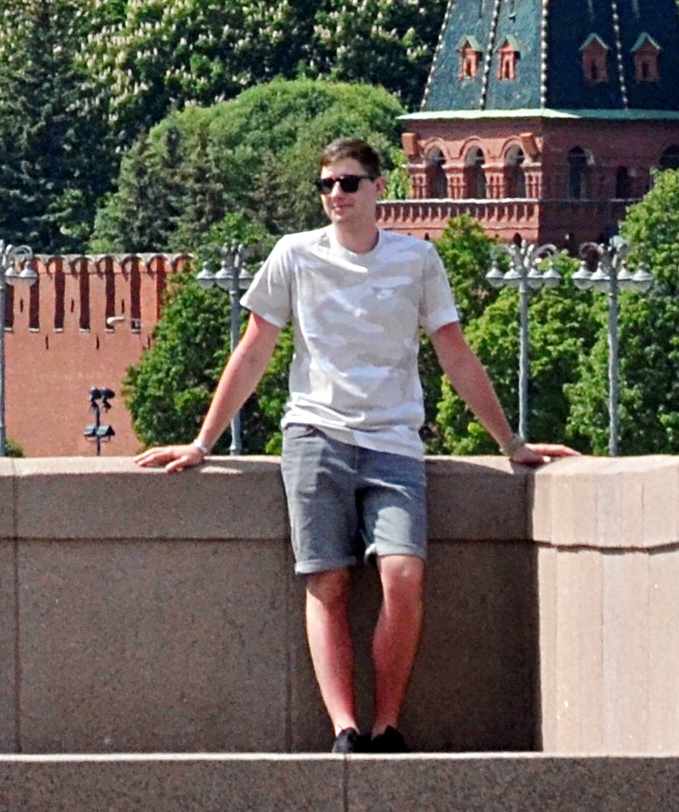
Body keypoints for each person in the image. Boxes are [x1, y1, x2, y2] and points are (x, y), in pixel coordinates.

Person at [132, 134, 542, 749]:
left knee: (402, 575)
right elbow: (255, 351)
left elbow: (454, 352)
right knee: (326, 582)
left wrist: (510, 442)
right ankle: (345, 728)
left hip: (394, 443)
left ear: (379, 189)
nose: (335, 195)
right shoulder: (294, 256)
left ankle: (389, 723)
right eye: (325, 185)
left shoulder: (416, 261)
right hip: (316, 435)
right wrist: (203, 442)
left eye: (348, 183)